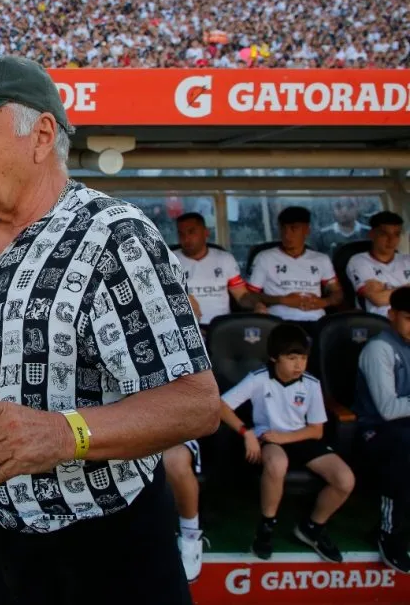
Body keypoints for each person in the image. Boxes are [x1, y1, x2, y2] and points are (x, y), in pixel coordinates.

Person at [0, 56, 220, 603]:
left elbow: (196, 404)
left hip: (101, 551)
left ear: (42, 134)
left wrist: (64, 433)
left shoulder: (116, 237)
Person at [168, 212, 263, 581]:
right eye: (181, 232)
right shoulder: (170, 259)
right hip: (189, 339)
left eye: (192, 231)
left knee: (210, 420)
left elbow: (242, 296)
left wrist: (258, 307)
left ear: (204, 232)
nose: (186, 237)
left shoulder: (223, 259)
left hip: (224, 342)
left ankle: (200, 517)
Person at [220, 323, 355, 563]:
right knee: (277, 463)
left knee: (345, 480)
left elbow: (316, 430)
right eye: (291, 358)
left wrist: (286, 437)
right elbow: (221, 406)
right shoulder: (259, 378)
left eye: (302, 358)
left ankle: (312, 527)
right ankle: (266, 527)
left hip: (299, 436)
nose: (298, 365)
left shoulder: (311, 383)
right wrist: (247, 432)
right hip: (268, 436)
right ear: (274, 357)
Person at [353, 286, 410, 573]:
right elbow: (388, 409)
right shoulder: (379, 349)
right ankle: (390, 534)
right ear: (391, 315)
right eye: (409, 318)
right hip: (374, 431)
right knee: (405, 448)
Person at [248, 206, 343, 324]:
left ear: (307, 230)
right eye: (283, 228)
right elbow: (250, 295)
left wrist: (324, 302)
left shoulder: (321, 259)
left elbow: (337, 293)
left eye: (294, 228)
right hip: (279, 321)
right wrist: (283, 300)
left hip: (316, 321)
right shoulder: (265, 258)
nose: (287, 235)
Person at [347, 211, 410, 316]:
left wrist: (386, 290)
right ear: (372, 234)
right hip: (379, 322)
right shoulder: (358, 261)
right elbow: (378, 299)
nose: (391, 240)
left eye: (396, 234)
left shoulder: (407, 260)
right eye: (385, 234)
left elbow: (382, 297)